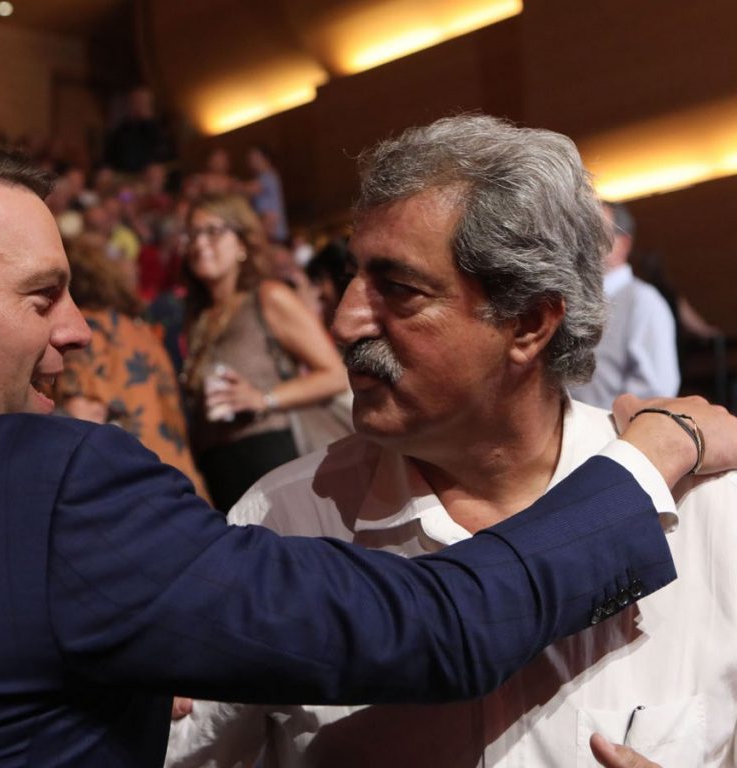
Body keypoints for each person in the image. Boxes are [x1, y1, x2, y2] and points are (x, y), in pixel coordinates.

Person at [0, 127, 732, 767]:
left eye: (397, 289)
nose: (79, 329)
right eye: (42, 295)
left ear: (530, 323)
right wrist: (653, 461)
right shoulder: (243, 513)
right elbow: (442, 624)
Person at [166, 115, 737, 768]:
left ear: (528, 323)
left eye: (399, 290)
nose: (345, 322)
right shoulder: (283, 523)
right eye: (353, 277)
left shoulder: (711, 513)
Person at [179, 194, 347, 510]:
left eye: (213, 231)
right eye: (192, 234)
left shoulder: (268, 297)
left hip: (270, 455)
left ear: (243, 243)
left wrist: (264, 398)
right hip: (218, 467)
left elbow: (336, 375)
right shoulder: (198, 317)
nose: (200, 243)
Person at [54, 237, 209, 498]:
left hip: (137, 489)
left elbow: (82, 418)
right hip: (182, 482)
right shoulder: (139, 330)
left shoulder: (86, 334)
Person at [570, 202, 680, 408]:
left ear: (623, 244)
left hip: (612, 426)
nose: (583, 241)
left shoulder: (643, 301)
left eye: (595, 231)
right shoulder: (572, 299)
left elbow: (655, 389)